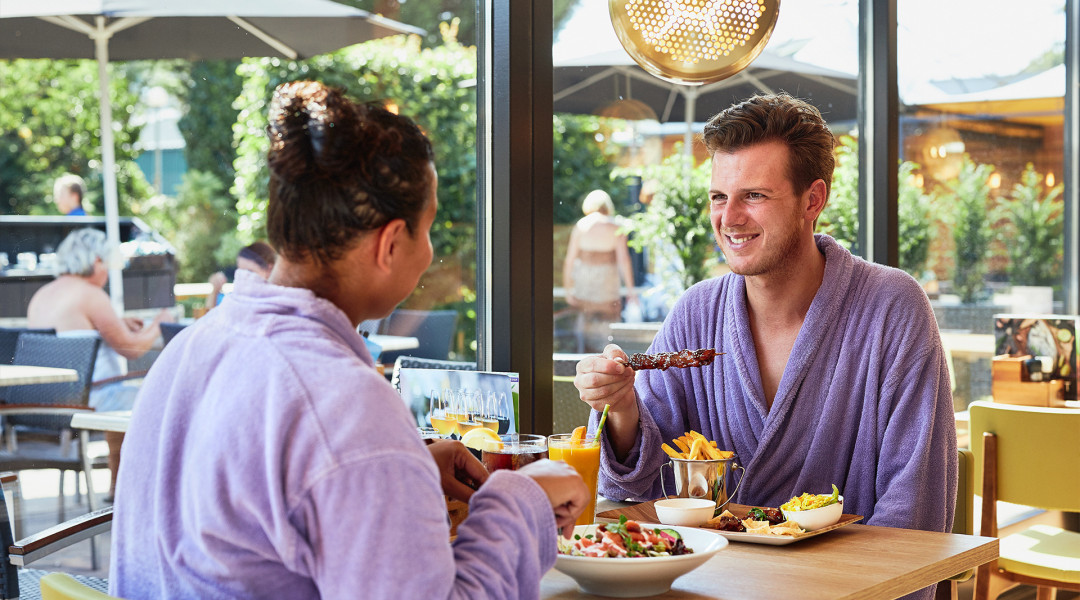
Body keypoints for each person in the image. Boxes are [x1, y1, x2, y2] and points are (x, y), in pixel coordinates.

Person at [110, 81, 589, 599]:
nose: (430, 255)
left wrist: (402, 474)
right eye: (426, 231)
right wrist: (521, 497)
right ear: (389, 244)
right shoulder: (345, 403)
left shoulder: (193, 347)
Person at [574, 94, 957, 576]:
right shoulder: (697, 312)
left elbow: (915, 503)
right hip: (709, 585)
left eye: (753, 196)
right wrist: (623, 406)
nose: (729, 218)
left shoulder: (891, 309)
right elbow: (637, 483)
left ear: (812, 199)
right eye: (718, 197)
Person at [26, 227, 173, 499]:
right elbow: (131, 349)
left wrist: (119, 324)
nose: (107, 274)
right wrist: (159, 323)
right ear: (96, 261)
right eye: (107, 265)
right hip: (89, 397)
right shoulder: (90, 294)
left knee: (129, 397)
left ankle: (119, 486)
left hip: (47, 402)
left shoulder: (42, 295)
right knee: (157, 398)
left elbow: (77, 333)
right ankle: (139, 491)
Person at [562, 189, 638, 352]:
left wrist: (568, 289)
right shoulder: (616, 226)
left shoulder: (581, 225)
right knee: (607, 333)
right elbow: (624, 261)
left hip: (585, 288)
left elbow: (569, 261)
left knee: (583, 330)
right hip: (607, 288)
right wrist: (631, 290)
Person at [204, 241, 277, 310]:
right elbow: (210, 315)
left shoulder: (276, 301)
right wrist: (215, 291)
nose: (243, 277)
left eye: (249, 271)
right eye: (240, 272)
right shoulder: (237, 298)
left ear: (269, 269)